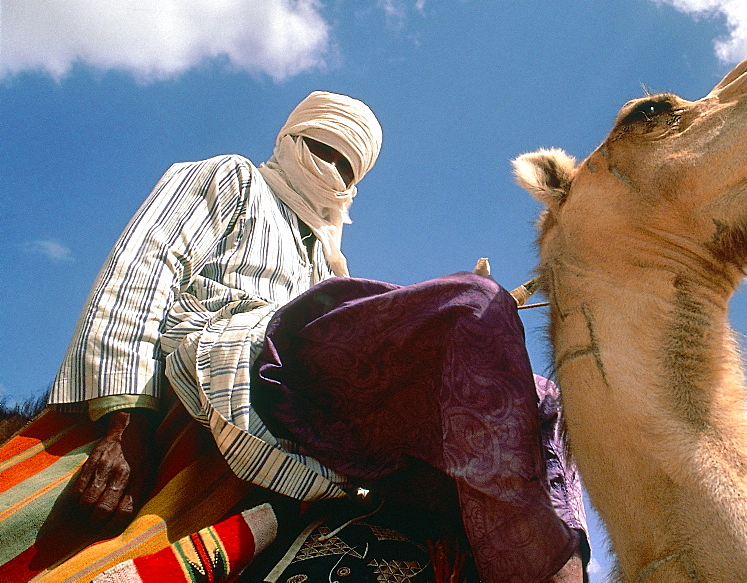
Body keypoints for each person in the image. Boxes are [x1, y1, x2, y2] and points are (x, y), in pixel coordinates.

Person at [47, 91, 588, 583]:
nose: (329, 170)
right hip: (239, 351)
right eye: (320, 149)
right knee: (473, 304)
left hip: (309, 400)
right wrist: (125, 425)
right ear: (288, 138)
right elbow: (139, 272)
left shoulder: (325, 255)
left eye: (346, 165)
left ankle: (563, 568)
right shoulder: (232, 179)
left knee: (540, 397)